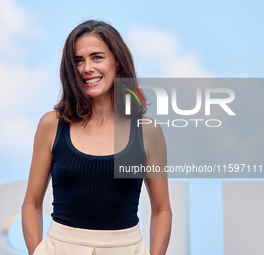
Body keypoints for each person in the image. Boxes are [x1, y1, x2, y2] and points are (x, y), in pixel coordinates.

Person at [21, 20, 172, 255]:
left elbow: (162, 210)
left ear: (118, 62)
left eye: (97, 57)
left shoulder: (147, 131)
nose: (86, 68)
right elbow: (31, 203)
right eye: (78, 60)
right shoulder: (52, 125)